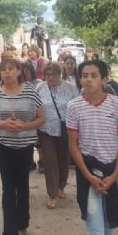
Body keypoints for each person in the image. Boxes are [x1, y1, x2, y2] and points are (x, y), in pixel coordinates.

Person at [65, 59, 118, 235]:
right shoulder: (74, 106)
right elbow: (73, 145)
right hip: (89, 173)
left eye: (94, 76)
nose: (88, 80)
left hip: (113, 172)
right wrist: (89, 176)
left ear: (104, 79)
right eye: (84, 76)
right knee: (95, 234)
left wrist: (115, 174)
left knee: (109, 229)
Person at [0, 57, 46, 235]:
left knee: (22, 185)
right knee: (8, 189)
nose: (7, 72)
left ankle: (23, 221)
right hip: (2, 146)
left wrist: (24, 126)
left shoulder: (30, 92)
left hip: (25, 145)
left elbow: (42, 117)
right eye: (3, 70)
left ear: (19, 71)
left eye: (11, 69)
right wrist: (3, 124)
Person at [37, 62, 79, 209]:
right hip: (46, 130)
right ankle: (52, 194)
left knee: (64, 159)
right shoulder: (40, 88)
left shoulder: (70, 88)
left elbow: (77, 109)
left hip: (66, 130)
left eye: (53, 74)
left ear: (59, 74)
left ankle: (61, 186)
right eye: (47, 74)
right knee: (49, 160)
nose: (50, 77)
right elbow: (35, 107)